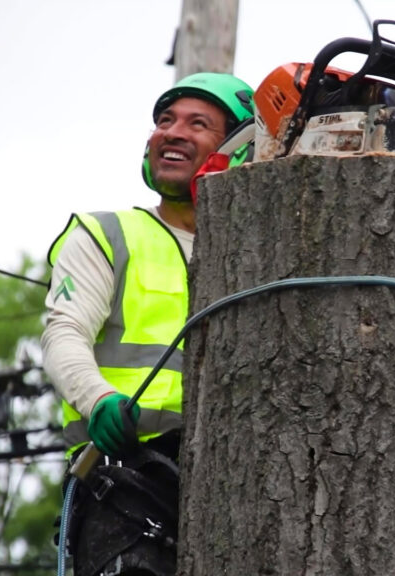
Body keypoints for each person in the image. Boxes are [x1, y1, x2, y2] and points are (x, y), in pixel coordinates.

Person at [42, 72, 255, 576]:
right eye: (165, 120)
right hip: (128, 477)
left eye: (197, 123)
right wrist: (99, 400)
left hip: (241, 479)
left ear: (239, 147)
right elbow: (63, 333)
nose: (172, 132)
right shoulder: (108, 234)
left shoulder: (258, 253)